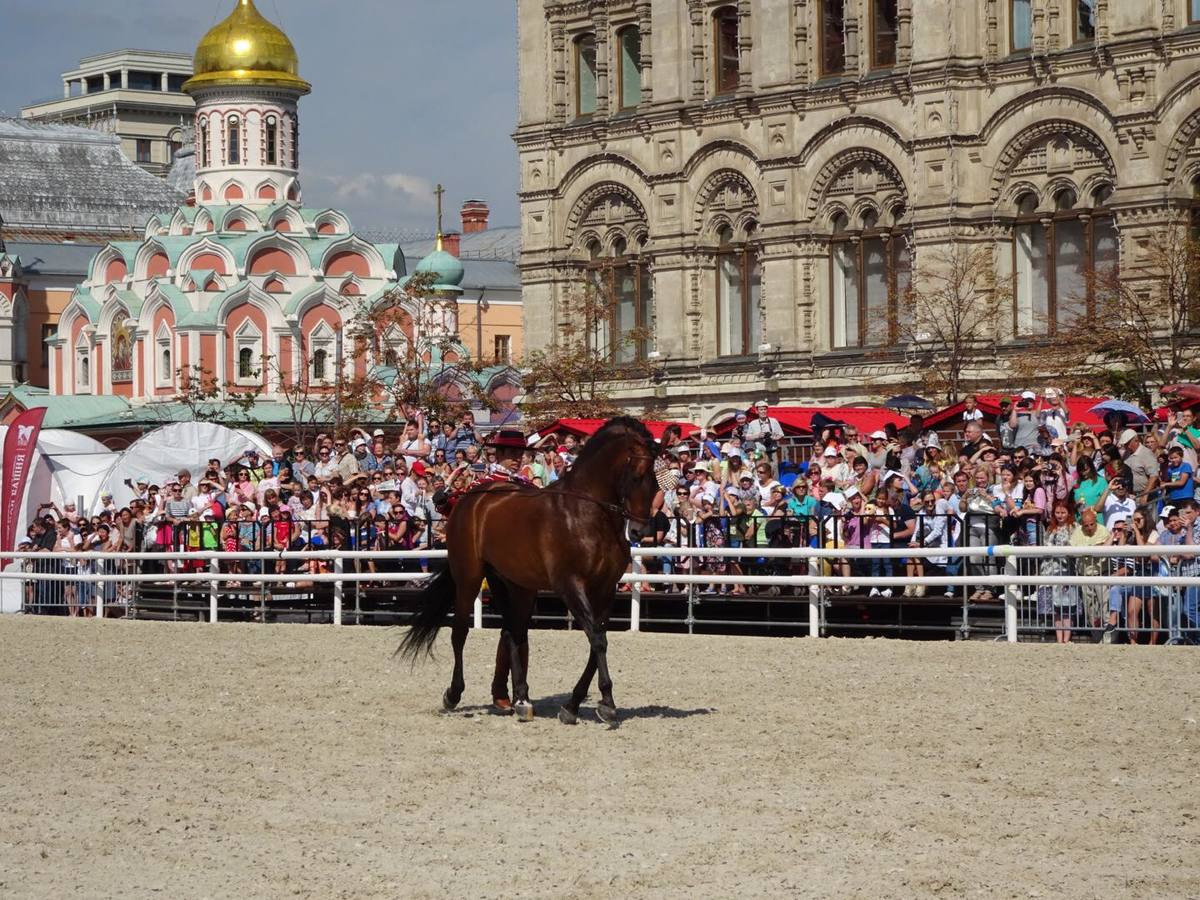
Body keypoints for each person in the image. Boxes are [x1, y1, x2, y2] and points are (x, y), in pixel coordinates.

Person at [1039, 502, 1079, 643]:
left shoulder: (1074, 527)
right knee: (1055, 609)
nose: (1060, 516)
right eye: (1057, 513)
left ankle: (1067, 639)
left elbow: (1074, 546)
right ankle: (1059, 639)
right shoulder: (1050, 528)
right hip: (1049, 570)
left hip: (1065, 570)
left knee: (1067, 607)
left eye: (1063, 513)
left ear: (1068, 513)